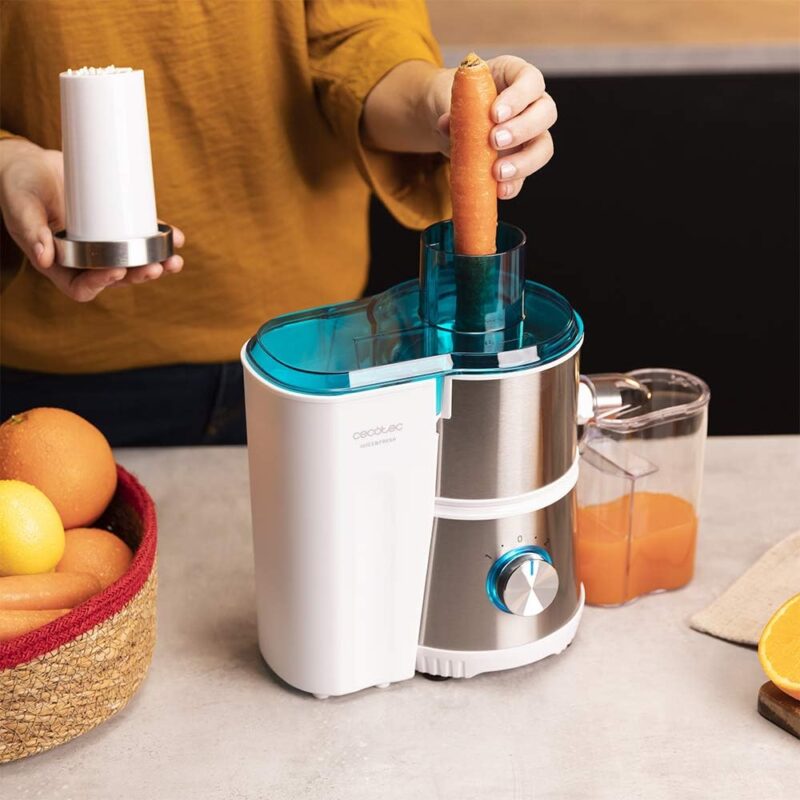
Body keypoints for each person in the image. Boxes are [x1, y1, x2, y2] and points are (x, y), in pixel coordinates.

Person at [0, 1, 557, 445]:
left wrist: (443, 106)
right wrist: (8, 160)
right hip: (57, 378)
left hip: (312, 354)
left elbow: (360, 38)